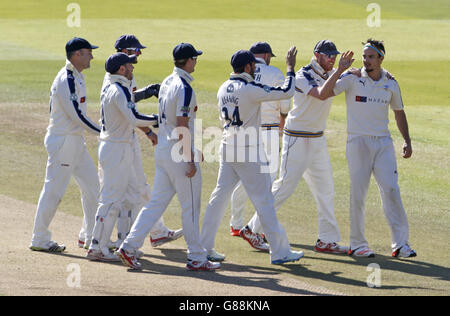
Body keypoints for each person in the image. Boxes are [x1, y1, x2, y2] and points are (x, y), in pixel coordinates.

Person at [117, 43, 220, 271]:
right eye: (195, 58)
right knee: (190, 207)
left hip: (164, 150)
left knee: (155, 205)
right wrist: (190, 159)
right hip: (177, 153)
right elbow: (182, 125)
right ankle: (196, 257)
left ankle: (128, 246)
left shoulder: (167, 82)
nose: (196, 62)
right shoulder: (184, 87)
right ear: (190, 60)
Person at [243, 40, 352, 254]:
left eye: (334, 55)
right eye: (328, 55)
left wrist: (366, 72)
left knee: (326, 189)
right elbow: (321, 94)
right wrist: (340, 70)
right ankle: (251, 229)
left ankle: (326, 240)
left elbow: (349, 77)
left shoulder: (330, 72)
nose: (332, 58)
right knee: (284, 187)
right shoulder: (303, 75)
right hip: (297, 138)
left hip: (317, 139)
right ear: (316, 54)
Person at [200, 47, 305, 265]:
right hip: (248, 150)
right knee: (264, 201)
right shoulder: (250, 88)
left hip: (227, 146)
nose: (255, 68)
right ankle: (280, 252)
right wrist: (290, 68)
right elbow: (286, 92)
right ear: (247, 67)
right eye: (253, 66)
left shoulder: (223, 87)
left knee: (218, 198)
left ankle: (204, 246)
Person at [330, 39, 416, 258]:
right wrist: (341, 69)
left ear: (381, 58)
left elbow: (399, 112)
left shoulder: (390, 82)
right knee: (358, 193)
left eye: (370, 56)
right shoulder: (352, 78)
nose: (366, 60)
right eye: (364, 56)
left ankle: (401, 244)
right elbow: (328, 92)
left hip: (383, 143)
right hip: (358, 142)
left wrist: (407, 140)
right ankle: (357, 244)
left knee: (391, 190)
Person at [101, 34, 182, 251]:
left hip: (124, 139)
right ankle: (97, 240)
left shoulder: (123, 74)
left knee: (136, 188)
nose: (140, 54)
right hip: (119, 141)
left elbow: (129, 102)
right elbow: (128, 111)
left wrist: (145, 93)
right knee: (121, 192)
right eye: (136, 50)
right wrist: (152, 127)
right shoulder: (120, 76)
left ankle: (155, 232)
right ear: (126, 53)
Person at [30, 38, 101, 253]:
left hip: (75, 141)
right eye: (89, 52)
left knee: (93, 189)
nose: (92, 56)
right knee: (54, 190)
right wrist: (104, 132)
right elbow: (77, 115)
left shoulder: (76, 76)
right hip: (64, 142)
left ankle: (90, 236)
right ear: (77, 54)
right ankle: (40, 238)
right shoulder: (67, 78)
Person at [87, 53, 159, 261]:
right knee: (110, 200)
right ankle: (97, 247)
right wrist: (159, 118)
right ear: (121, 69)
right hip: (116, 147)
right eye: (129, 65)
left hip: (119, 146)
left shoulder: (115, 88)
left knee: (130, 197)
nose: (132, 68)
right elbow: (134, 118)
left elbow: (129, 110)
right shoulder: (118, 89)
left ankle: (123, 244)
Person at [229, 42, 291, 241]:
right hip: (269, 131)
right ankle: (258, 227)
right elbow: (285, 105)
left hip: (244, 131)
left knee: (242, 178)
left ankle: (236, 224)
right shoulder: (274, 72)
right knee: (268, 180)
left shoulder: (239, 72)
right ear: (265, 55)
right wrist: (282, 115)